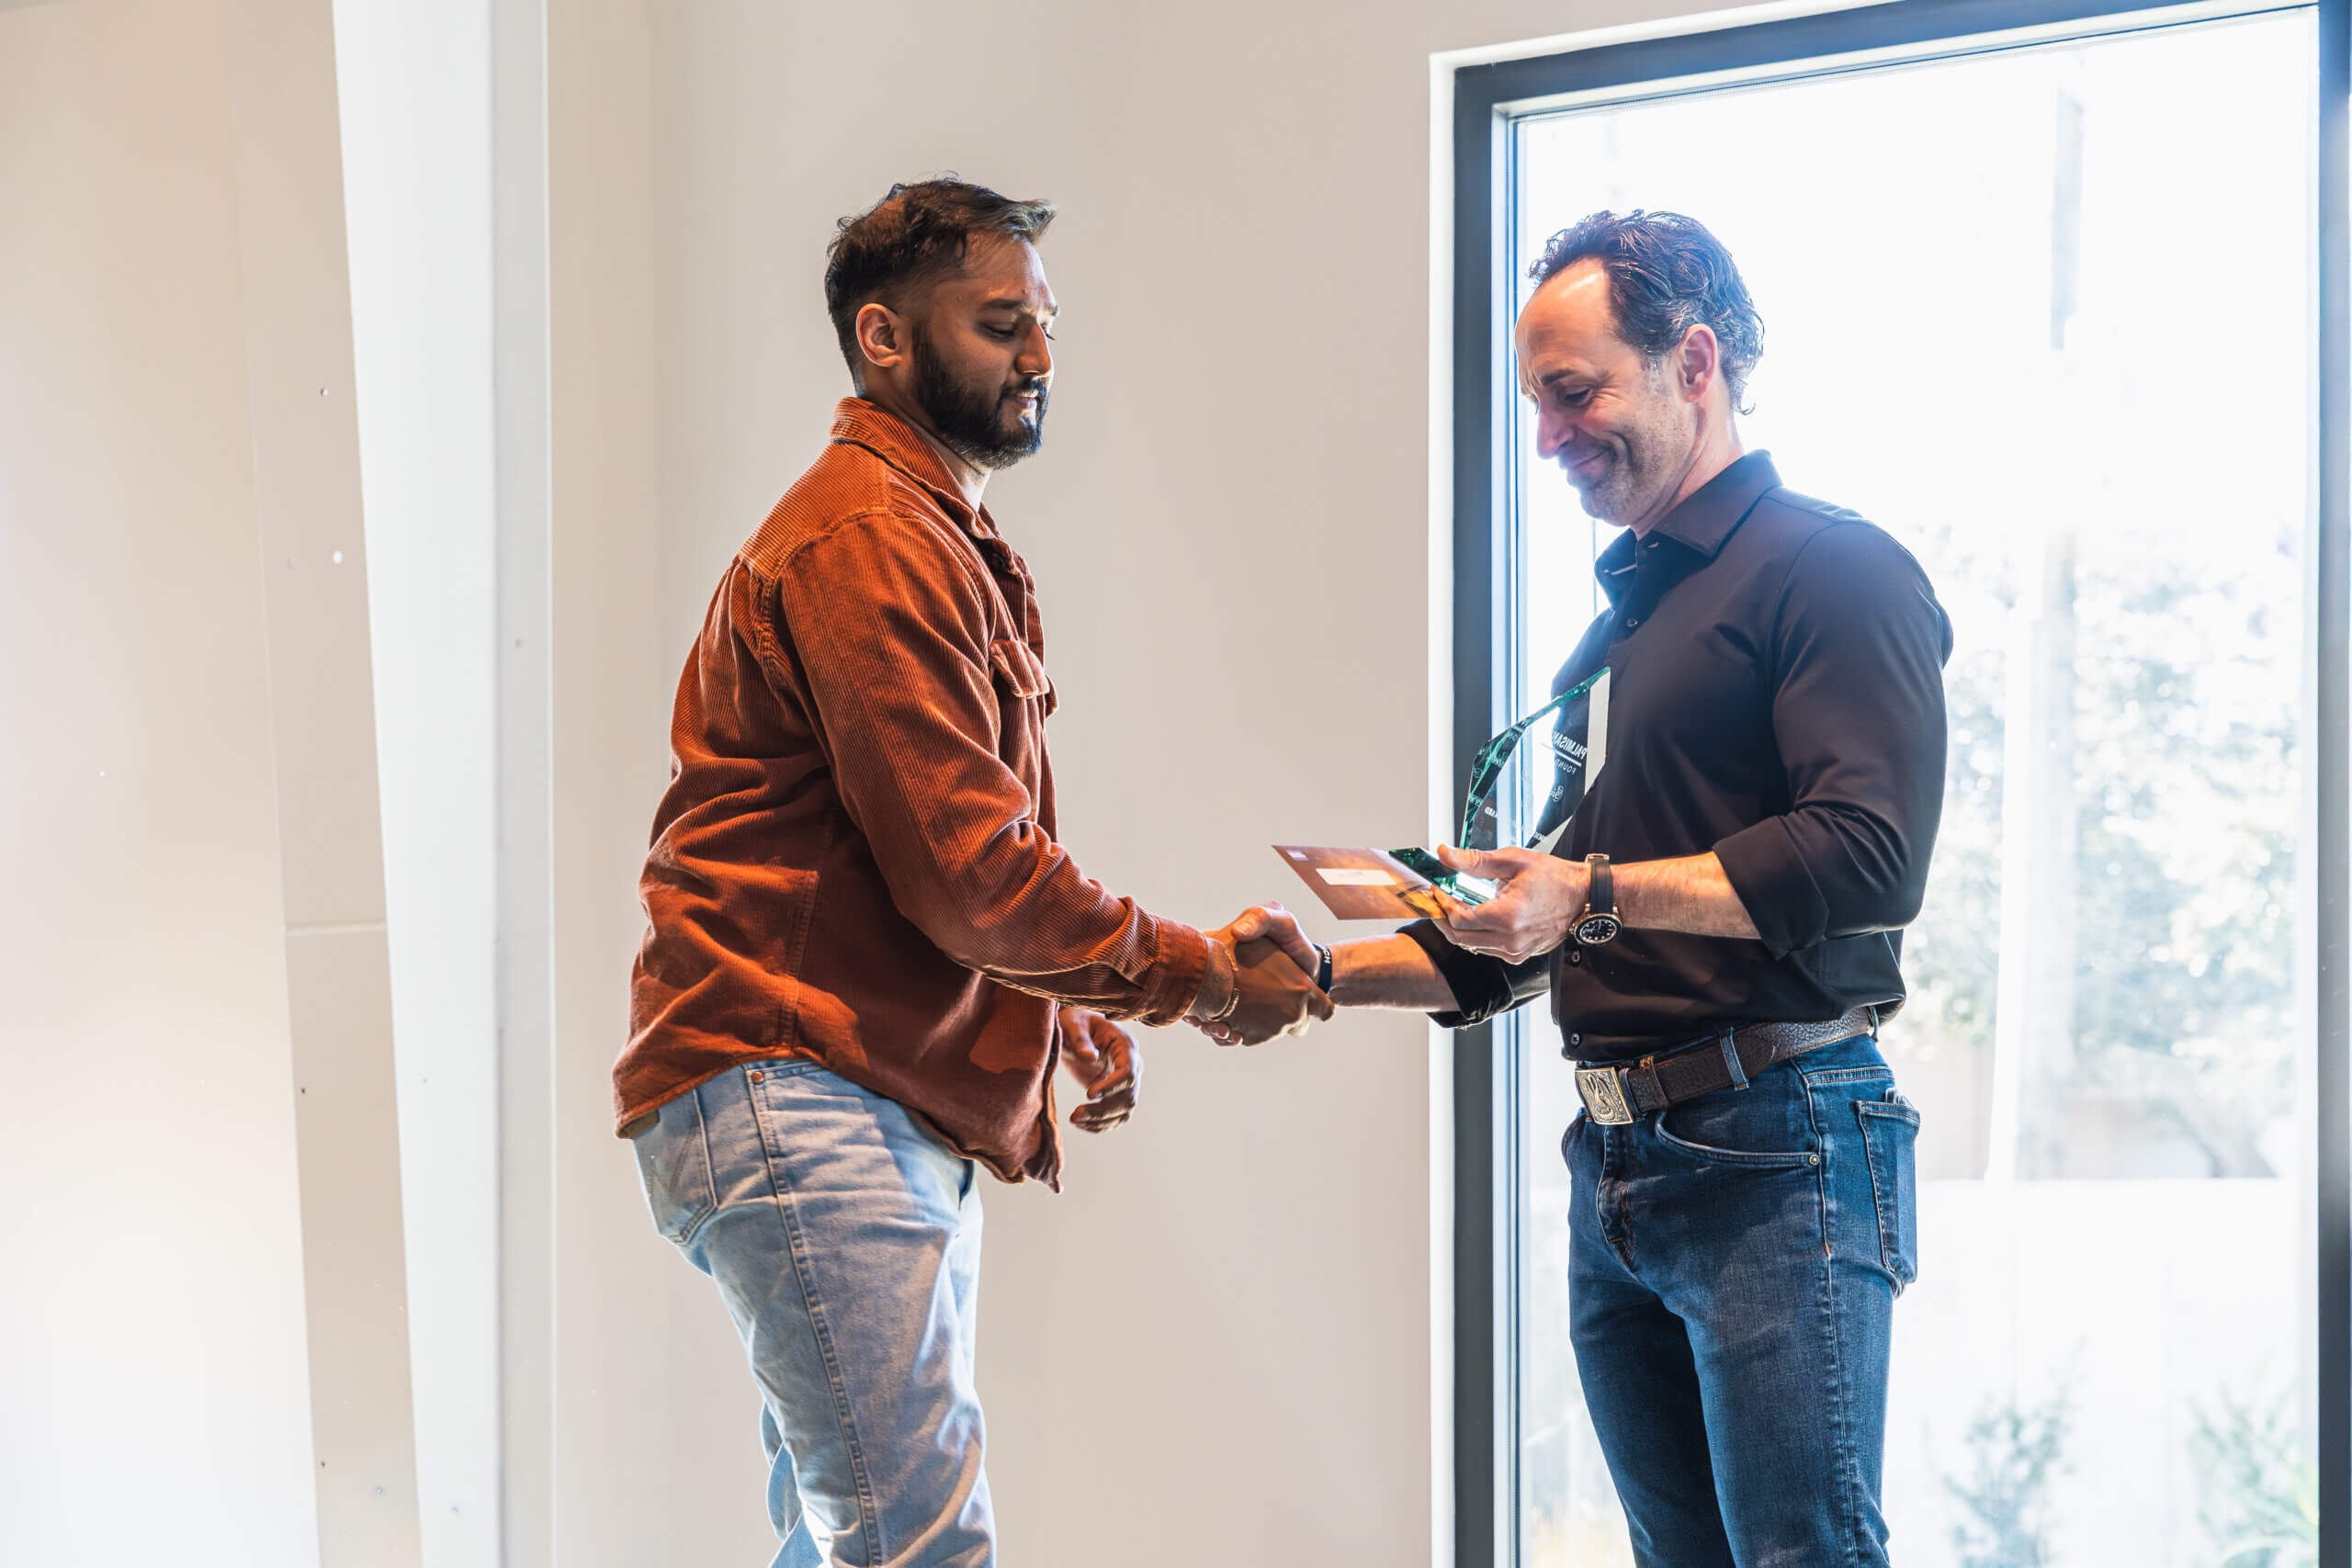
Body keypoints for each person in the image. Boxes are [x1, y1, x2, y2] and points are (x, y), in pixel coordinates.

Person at [616, 177, 1329, 1568]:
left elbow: (923, 859)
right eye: (1002, 326)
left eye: (1048, 323)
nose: (1041, 355)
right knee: (919, 1549)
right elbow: (971, 876)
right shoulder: (870, 538)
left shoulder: (925, 527)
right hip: (799, 1079)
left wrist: (1055, 1006)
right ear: (883, 337)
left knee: (855, 1542)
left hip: (840, 1087)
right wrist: (1195, 975)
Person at [1218, 210, 1951, 1564]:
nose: (1549, 437)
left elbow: (1868, 856)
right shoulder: (1617, 635)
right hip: (1617, 1159)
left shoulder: (1833, 570)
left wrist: (1586, 892)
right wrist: (1312, 978)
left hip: (1779, 1142)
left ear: (1695, 362)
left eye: (1574, 392)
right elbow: (1538, 927)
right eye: (1537, 404)